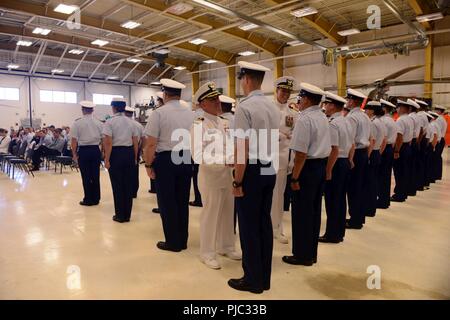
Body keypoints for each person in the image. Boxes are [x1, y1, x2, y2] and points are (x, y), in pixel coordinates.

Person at [228, 61, 279, 294]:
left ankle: (252, 280)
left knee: (248, 226)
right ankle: (263, 277)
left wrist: (238, 181)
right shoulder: (272, 107)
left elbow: (242, 149)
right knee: (263, 224)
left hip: (253, 171)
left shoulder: (244, 108)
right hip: (269, 167)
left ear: (246, 79)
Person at [191, 82, 241, 270]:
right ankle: (207, 252)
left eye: (217, 98)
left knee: (228, 213)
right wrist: (224, 160)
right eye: (212, 100)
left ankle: (226, 246)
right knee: (210, 215)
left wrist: (234, 158)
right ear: (203, 104)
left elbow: (230, 146)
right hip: (210, 177)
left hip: (227, 175)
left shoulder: (225, 122)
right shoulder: (199, 125)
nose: (217, 102)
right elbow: (198, 155)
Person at [143, 79, 195, 252]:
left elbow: (150, 144)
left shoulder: (159, 113)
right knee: (182, 201)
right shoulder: (190, 113)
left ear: (165, 94)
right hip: (185, 157)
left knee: (167, 202)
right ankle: (183, 240)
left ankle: (173, 242)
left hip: (166, 159)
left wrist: (148, 165)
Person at [283, 83, 330, 266]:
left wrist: (294, 177)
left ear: (307, 99)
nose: (298, 102)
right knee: (314, 212)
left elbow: (301, 154)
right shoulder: (322, 116)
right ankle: (311, 253)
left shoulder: (305, 119)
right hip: (319, 167)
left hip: (306, 169)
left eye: (300, 99)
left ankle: (301, 255)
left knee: (302, 213)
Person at [320, 91, 351, 243]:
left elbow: (334, 149)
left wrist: (328, 170)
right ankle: (339, 232)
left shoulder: (333, 124)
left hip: (335, 163)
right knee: (340, 200)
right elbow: (351, 145)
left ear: (332, 106)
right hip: (344, 162)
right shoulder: (346, 121)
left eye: (326, 104)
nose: (325, 107)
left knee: (332, 201)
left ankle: (332, 234)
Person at [270, 76, 298, 245]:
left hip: (283, 159)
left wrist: (287, 137)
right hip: (268, 157)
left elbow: (295, 134)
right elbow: (264, 131)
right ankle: (266, 225)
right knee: (267, 194)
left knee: (279, 195)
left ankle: (277, 228)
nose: (285, 94)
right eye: (283, 91)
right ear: (277, 90)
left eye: (288, 92)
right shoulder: (269, 108)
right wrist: (281, 136)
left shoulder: (292, 112)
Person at [102, 97, 139, 223]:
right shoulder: (132, 123)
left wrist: (107, 160)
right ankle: (127, 215)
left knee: (117, 185)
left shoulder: (110, 122)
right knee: (128, 185)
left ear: (114, 108)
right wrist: (134, 157)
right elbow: (135, 142)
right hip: (129, 153)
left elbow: (108, 143)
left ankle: (120, 215)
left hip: (116, 154)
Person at [345, 89, 371, 229]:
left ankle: (354, 219)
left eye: (348, 99)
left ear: (353, 101)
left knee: (353, 188)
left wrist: (350, 159)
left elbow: (351, 140)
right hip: (363, 153)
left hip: (355, 153)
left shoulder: (351, 117)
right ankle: (359, 217)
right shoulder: (365, 116)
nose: (347, 102)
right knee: (360, 186)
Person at [70, 101, 103, 206]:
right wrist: (102, 152)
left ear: (83, 110)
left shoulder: (77, 123)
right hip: (95, 150)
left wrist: (74, 154)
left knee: (86, 176)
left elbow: (74, 141)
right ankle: (96, 198)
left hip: (83, 151)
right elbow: (103, 139)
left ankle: (88, 199)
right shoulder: (99, 123)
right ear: (92, 110)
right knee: (95, 175)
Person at [362, 101, 386, 218]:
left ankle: (368, 208)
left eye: (367, 109)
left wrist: (367, 156)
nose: (365, 111)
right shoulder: (380, 122)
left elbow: (372, 141)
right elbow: (384, 140)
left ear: (372, 110)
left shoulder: (373, 123)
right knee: (374, 181)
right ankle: (371, 207)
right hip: (376, 153)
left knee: (369, 183)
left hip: (372, 153)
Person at [391, 99, 415, 202]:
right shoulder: (410, 119)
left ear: (402, 108)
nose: (397, 109)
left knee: (399, 172)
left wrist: (396, 151)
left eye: (398, 107)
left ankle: (399, 194)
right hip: (407, 146)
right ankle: (403, 193)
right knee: (405, 171)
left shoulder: (401, 120)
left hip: (401, 147)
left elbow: (399, 137)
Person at [377, 99, 397, 209]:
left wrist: (379, 152)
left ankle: (382, 200)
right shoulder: (392, 120)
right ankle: (384, 200)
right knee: (386, 176)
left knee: (381, 176)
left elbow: (383, 138)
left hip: (384, 149)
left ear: (384, 109)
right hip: (390, 148)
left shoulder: (384, 121)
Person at [125, 106, 144, 198]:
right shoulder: (139, 125)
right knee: (134, 172)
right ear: (132, 114)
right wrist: (140, 150)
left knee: (124, 172)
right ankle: (134, 192)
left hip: (125, 150)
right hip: (135, 150)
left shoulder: (123, 124)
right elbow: (143, 139)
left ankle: (126, 191)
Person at [414, 99, 430, 191]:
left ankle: (418, 184)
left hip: (421, 139)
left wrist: (418, 142)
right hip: (424, 139)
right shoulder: (424, 115)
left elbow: (420, 130)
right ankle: (421, 183)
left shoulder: (420, 115)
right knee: (421, 162)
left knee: (418, 163)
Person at [407, 100, 421, 197]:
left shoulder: (410, 117)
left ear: (410, 108)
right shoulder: (417, 117)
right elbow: (421, 130)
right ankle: (412, 189)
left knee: (408, 168)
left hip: (411, 142)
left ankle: (409, 189)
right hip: (415, 141)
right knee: (413, 167)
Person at [434, 105, 448, 180]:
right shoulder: (442, 119)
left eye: (436, 110)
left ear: (440, 111)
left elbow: (437, 132)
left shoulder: (439, 119)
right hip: (441, 139)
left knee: (436, 157)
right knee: (438, 157)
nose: (435, 111)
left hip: (438, 140)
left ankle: (436, 174)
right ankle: (437, 175)